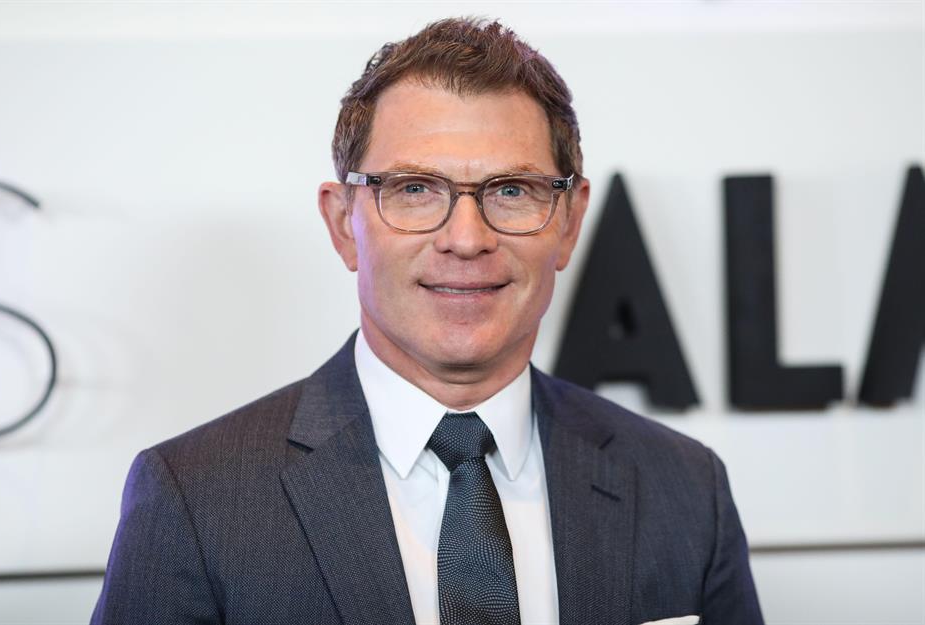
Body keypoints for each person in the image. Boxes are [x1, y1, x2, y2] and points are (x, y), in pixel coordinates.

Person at [91, 18, 763, 625]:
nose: (466, 239)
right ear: (343, 224)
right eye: (415, 189)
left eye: (512, 190)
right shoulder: (197, 498)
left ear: (568, 221)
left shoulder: (684, 488)